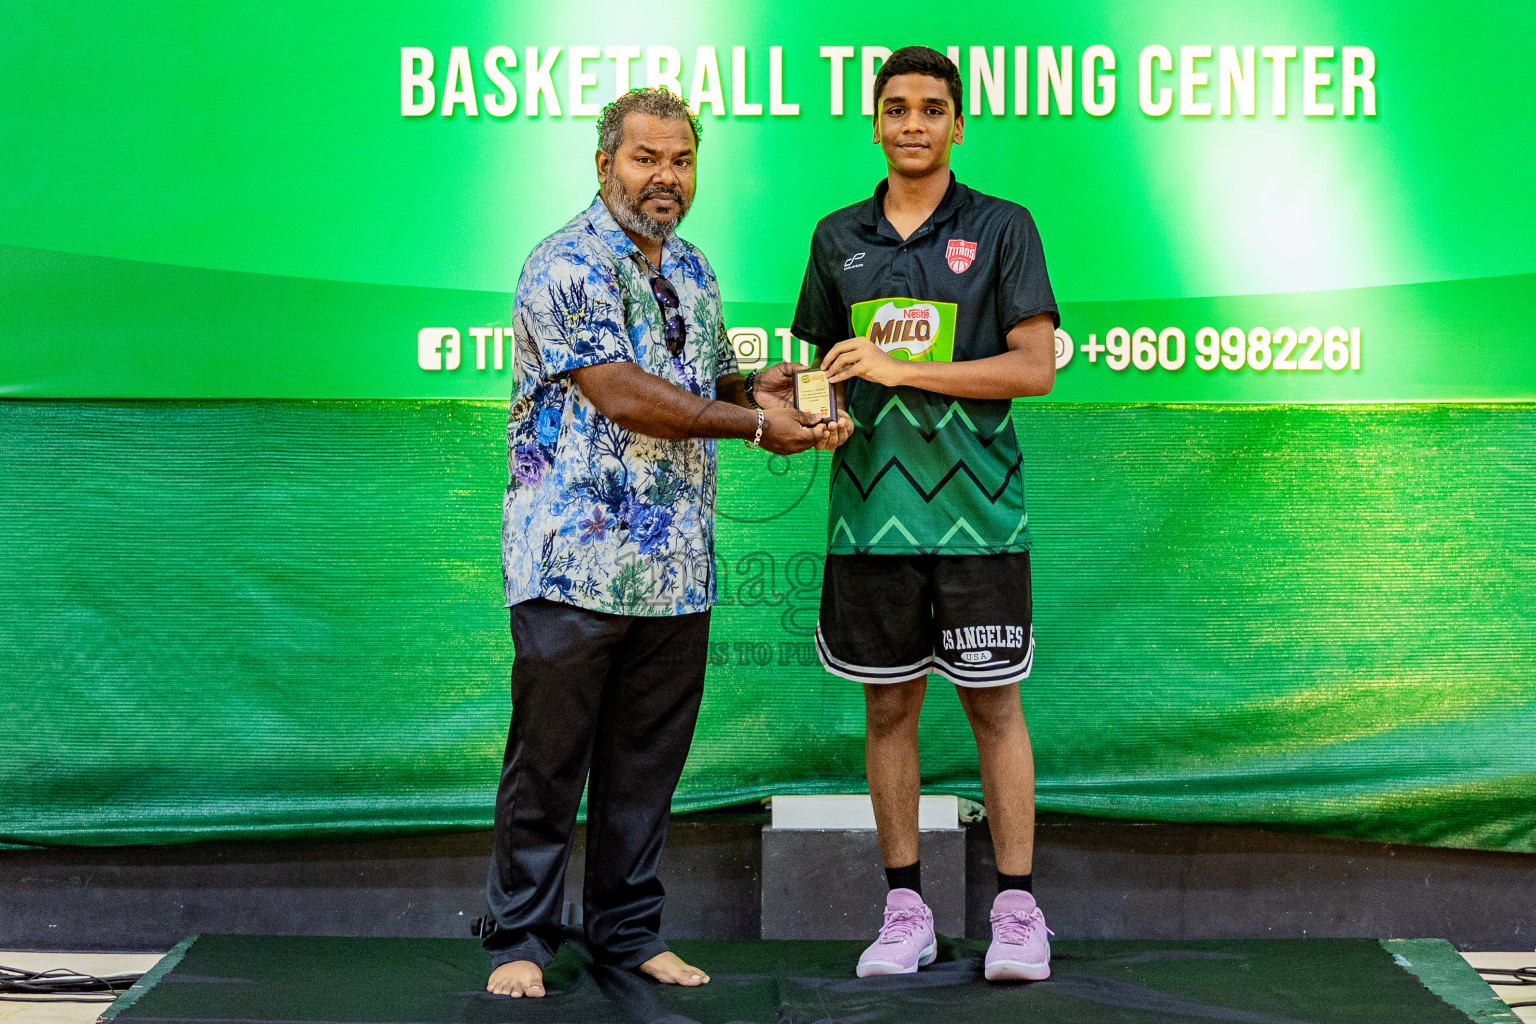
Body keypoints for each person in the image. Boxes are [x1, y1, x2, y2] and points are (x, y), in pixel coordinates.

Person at [485, 87, 848, 999]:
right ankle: (520, 941)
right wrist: (755, 428)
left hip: (675, 570)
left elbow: (699, 376)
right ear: (605, 162)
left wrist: (764, 386)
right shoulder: (565, 263)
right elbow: (620, 391)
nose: (665, 178)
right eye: (646, 159)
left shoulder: (692, 266)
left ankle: (627, 934)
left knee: (646, 768)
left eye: (681, 161)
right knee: (549, 762)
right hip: (572, 562)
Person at [790, 45, 1059, 981]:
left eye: (931, 108)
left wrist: (904, 368)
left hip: (982, 514)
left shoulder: (1003, 228)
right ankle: (905, 909)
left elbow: (1035, 367)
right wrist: (805, 411)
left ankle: (1018, 914)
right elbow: (816, 368)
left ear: (956, 122)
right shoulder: (836, 238)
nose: (913, 123)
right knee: (888, 711)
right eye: (896, 107)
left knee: (995, 708)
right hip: (871, 517)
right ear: (875, 122)